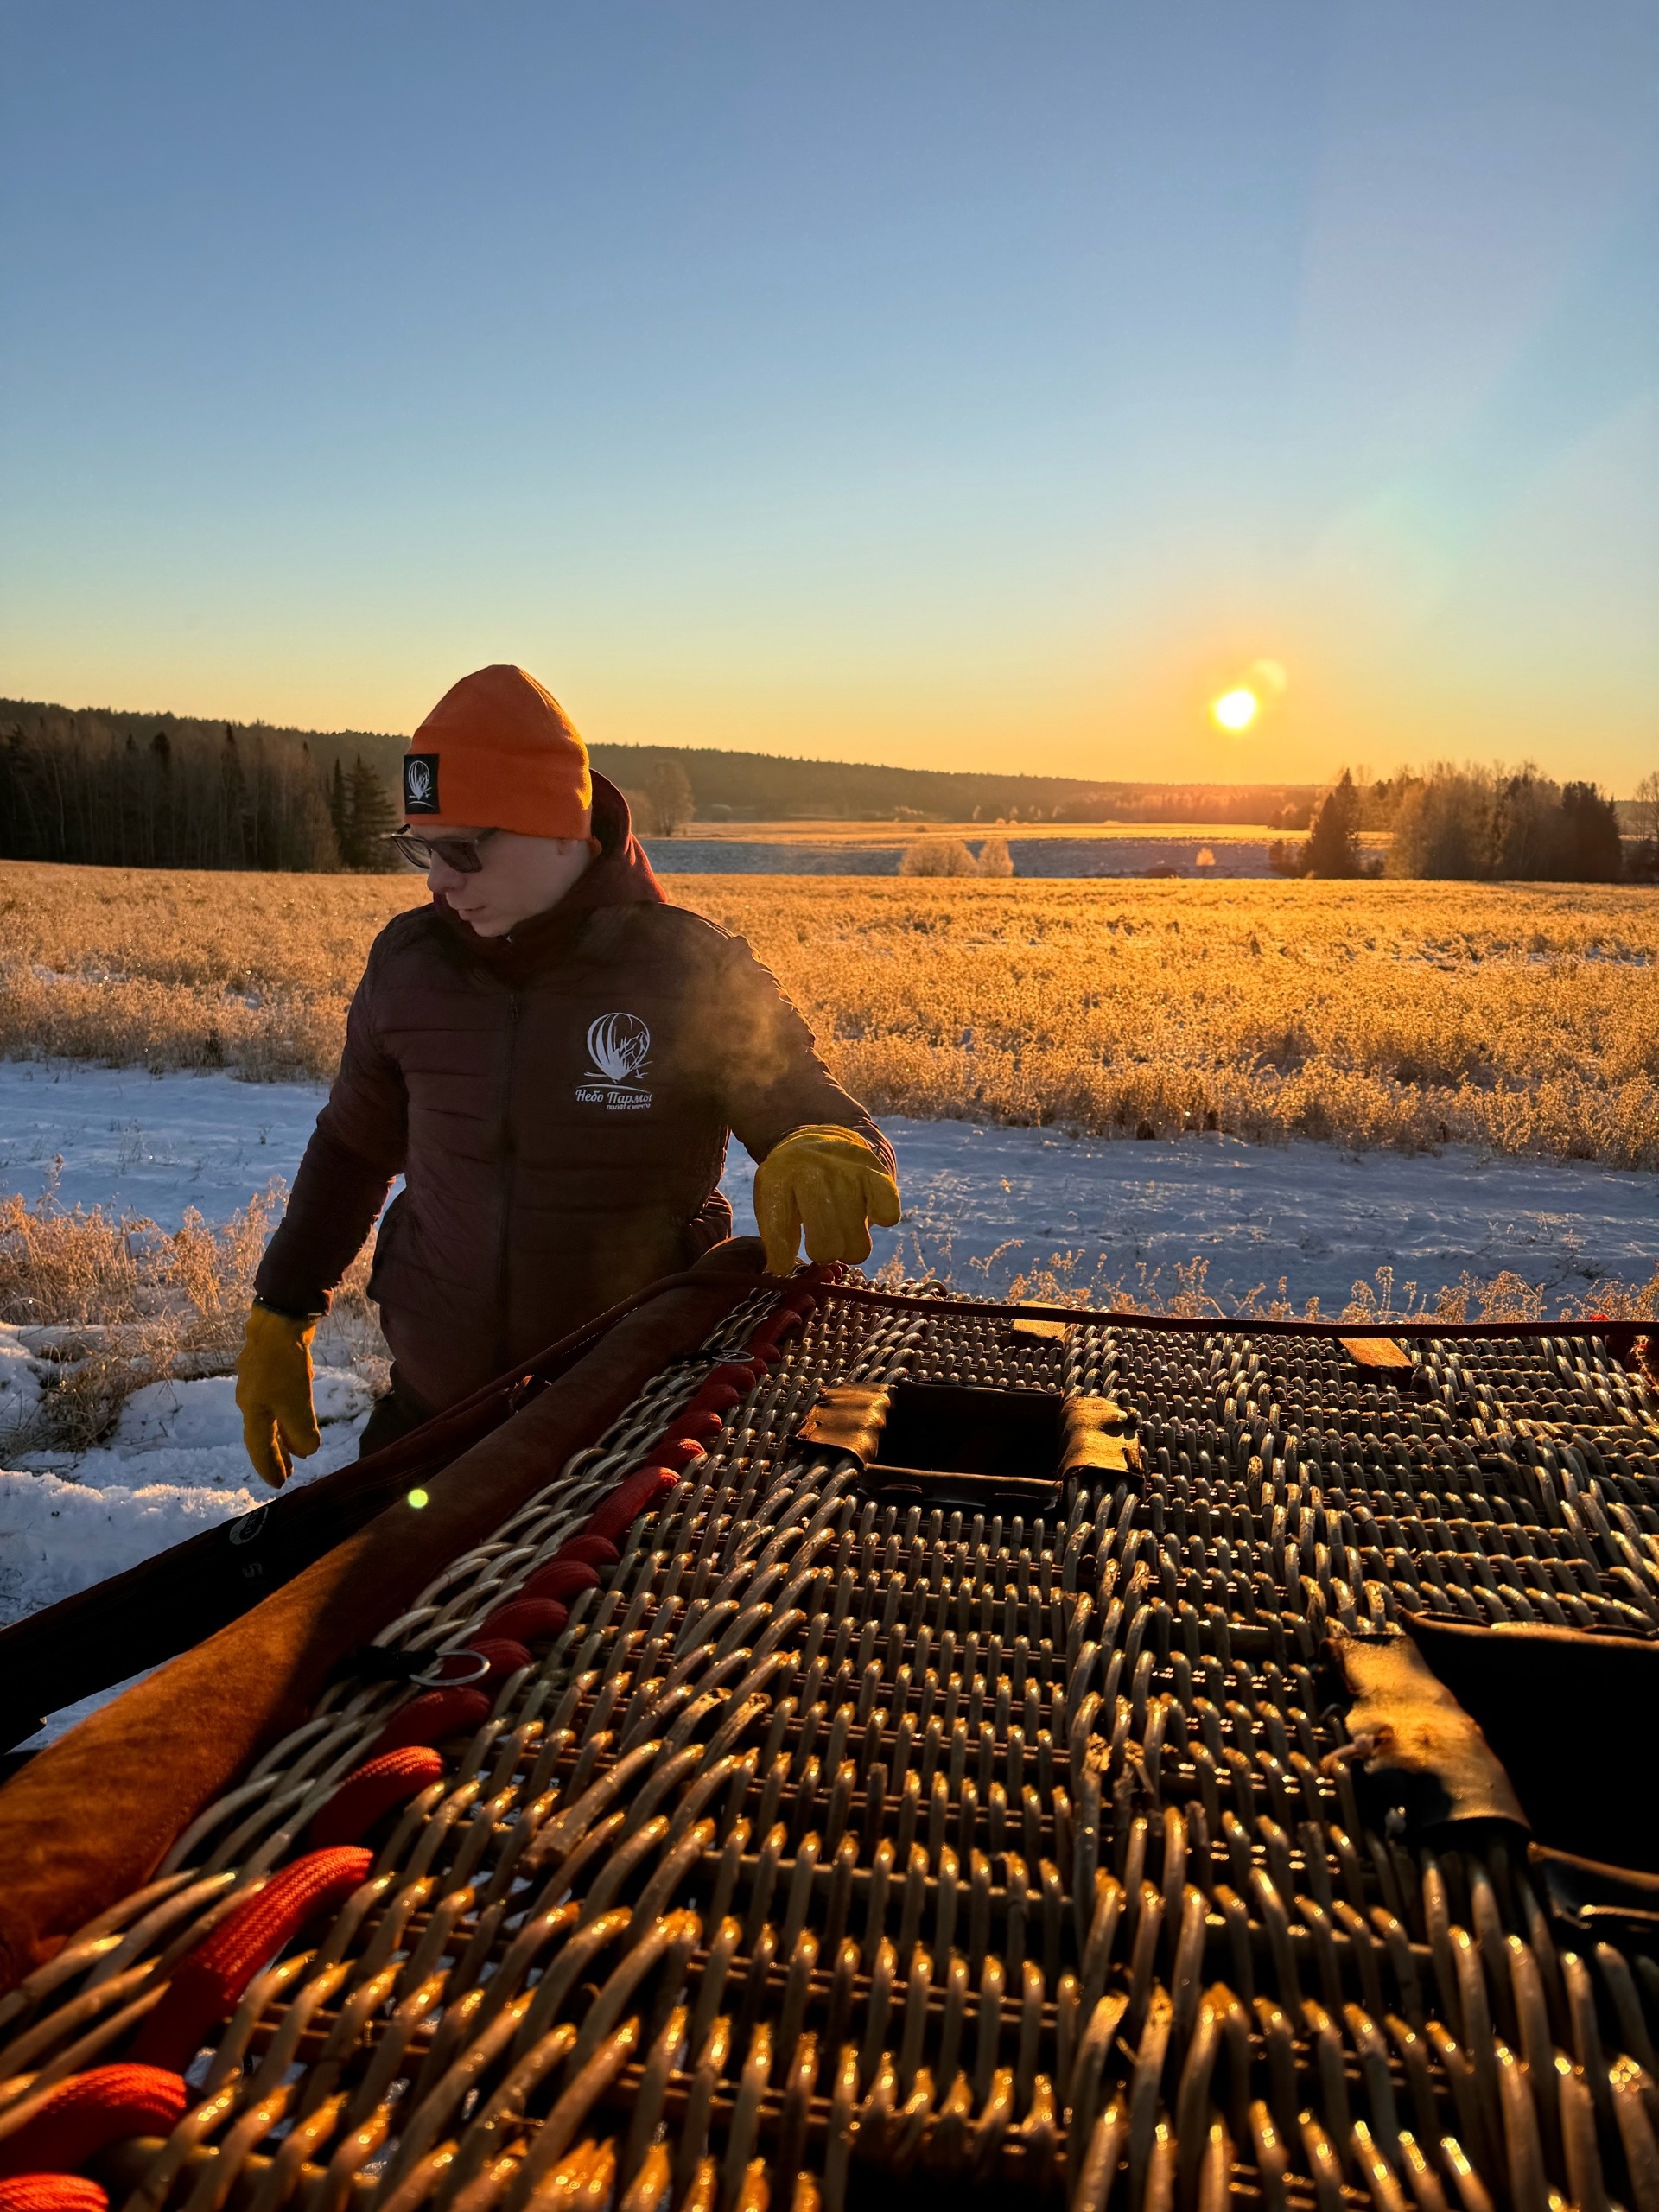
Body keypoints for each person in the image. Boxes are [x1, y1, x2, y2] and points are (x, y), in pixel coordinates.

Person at [235, 664, 899, 1485]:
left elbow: (805, 1102)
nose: (440, 880)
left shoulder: (685, 969)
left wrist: (824, 1144)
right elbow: (352, 1147)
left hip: (629, 1437)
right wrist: (282, 1307)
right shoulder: (409, 966)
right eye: (421, 851)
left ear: (559, 828)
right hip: (433, 1415)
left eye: (463, 850)